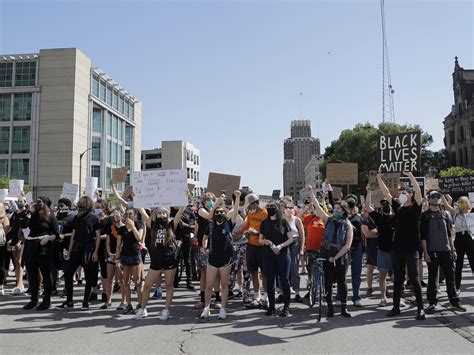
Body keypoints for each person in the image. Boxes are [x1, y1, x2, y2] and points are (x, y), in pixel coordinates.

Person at [377, 171, 425, 320]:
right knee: (397, 278)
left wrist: (410, 176)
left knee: (414, 278)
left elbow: (418, 191)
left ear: (410, 195)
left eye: (405, 192)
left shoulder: (416, 207)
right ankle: (396, 306)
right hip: (397, 248)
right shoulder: (398, 207)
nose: (402, 194)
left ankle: (420, 308)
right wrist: (379, 179)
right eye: (401, 192)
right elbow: (386, 193)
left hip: (411, 248)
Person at [307, 185, 353, 318]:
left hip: (341, 256)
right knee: (327, 281)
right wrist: (311, 192)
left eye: (339, 209)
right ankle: (330, 307)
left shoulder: (347, 224)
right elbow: (319, 208)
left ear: (344, 211)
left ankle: (344, 308)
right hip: (326, 255)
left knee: (341, 281)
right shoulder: (328, 220)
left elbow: (348, 245)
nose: (336, 210)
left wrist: (337, 257)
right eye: (335, 208)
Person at [135, 205, 185, 320]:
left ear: (167, 214)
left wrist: (184, 199)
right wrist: (138, 199)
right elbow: (142, 212)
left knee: (168, 285)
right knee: (147, 285)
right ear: (156, 214)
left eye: (163, 213)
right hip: (156, 260)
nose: (161, 215)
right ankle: (142, 309)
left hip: (169, 259)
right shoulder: (152, 225)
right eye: (159, 213)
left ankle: (166, 310)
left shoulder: (171, 224)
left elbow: (180, 211)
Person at [422, 191, 466, 313]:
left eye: (438, 197)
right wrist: (425, 253)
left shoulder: (446, 214)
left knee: (450, 278)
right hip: (432, 251)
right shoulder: (425, 216)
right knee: (432, 278)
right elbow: (423, 237)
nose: (436, 199)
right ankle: (432, 303)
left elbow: (449, 234)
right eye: (433, 197)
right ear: (429, 199)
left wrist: (453, 250)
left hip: (446, 250)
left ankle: (454, 302)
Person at [200, 190, 240, 319]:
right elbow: (205, 237)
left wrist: (237, 197)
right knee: (209, 285)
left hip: (226, 259)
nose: (219, 213)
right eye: (217, 212)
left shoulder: (229, 224)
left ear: (225, 213)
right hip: (212, 259)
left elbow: (235, 210)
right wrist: (204, 246)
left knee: (224, 285)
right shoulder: (210, 225)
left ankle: (223, 308)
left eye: (221, 212)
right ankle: (206, 308)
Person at [59, 196, 102, 310]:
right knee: (68, 273)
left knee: (88, 276)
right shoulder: (76, 218)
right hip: (77, 249)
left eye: (82, 206)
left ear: (87, 206)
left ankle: (85, 301)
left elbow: (97, 236)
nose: (80, 208)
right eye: (79, 206)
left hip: (89, 249)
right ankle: (69, 301)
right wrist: (69, 250)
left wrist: (96, 252)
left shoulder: (94, 218)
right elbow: (73, 235)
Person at [22, 196, 60, 310]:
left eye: (39, 202)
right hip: (31, 245)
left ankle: (47, 300)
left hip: (43, 246)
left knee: (46, 273)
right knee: (32, 274)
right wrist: (29, 212)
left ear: (45, 204)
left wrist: (48, 238)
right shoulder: (32, 214)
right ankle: (33, 300)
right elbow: (24, 225)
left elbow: (57, 234)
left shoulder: (50, 216)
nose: (37, 203)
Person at [259, 200, 294, 317]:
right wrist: (266, 241)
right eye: (268, 206)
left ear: (278, 208)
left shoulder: (283, 221)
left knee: (284, 280)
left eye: (272, 206)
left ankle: (286, 307)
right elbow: (260, 239)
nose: (270, 208)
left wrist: (281, 246)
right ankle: (272, 307)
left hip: (283, 255)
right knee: (270, 282)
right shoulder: (264, 223)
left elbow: (291, 239)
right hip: (268, 255)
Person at [235, 193, 269, 308]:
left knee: (264, 273)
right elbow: (246, 226)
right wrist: (237, 233)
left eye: (250, 206)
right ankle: (257, 296)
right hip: (251, 246)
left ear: (255, 204)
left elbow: (269, 232)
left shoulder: (265, 214)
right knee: (253, 272)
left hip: (263, 247)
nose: (249, 208)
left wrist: (256, 233)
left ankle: (266, 297)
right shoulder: (250, 213)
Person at [365, 186, 395, 307]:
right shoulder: (380, 218)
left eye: (387, 204)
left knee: (398, 276)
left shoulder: (398, 217)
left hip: (396, 252)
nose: (385, 207)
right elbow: (367, 207)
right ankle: (383, 297)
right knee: (382, 275)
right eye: (383, 205)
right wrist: (369, 192)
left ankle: (397, 297)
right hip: (383, 251)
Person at [442, 195, 474, 294]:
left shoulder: (472, 214)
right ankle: (457, 287)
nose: (460, 203)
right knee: (458, 264)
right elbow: (447, 205)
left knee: (473, 262)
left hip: (469, 238)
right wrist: (443, 193)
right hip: (459, 239)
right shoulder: (456, 213)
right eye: (459, 202)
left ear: (467, 203)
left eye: (462, 202)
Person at [116, 208, 144, 315]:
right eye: (126, 214)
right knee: (125, 282)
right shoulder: (121, 229)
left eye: (130, 214)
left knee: (137, 282)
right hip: (125, 256)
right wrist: (118, 259)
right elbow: (118, 245)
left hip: (135, 256)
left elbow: (139, 238)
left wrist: (132, 227)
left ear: (134, 215)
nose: (128, 216)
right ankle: (129, 305)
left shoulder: (139, 225)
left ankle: (141, 304)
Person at [297, 199, 325, 300]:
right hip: (311, 249)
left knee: (322, 271)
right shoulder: (310, 218)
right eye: (314, 208)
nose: (315, 209)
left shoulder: (325, 219)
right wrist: (307, 208)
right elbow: (297, 217)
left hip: (322, 250)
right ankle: (311, 291)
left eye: (317, 208)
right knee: (311, 272)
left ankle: (323, 291)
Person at [195, 193, 217, 309]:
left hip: (216, 245)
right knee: (204, 273)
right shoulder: (201, 210)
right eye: (207, 200)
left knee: (216, 274)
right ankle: (203, 299)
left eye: (212, 200)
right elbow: (209, 216)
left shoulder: (217, 210)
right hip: (203, 246)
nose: (210, 202)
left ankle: (217, 297)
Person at [283, 200, 305, 302]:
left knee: (294, 268)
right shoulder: (281, 220)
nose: (290, 210)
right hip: (284, 244)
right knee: (283, 269)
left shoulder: (297, 220)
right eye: (288, 207)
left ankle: (297, 292)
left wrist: (301, 249)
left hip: (294, 244)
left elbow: (302, 235)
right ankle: (283, 292)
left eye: (292, 208)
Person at [101, 209, 124, 309]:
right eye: (114, 214)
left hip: (122, 256)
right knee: (110, 278)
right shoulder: (110, 227)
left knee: (122, 279)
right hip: (111, 256)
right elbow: (108, 241)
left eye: (117, 214)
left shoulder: (124, 228)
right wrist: (110, 253)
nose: (116, 216)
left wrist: (118, 255)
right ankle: (108, 300)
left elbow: (124, 243)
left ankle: (124, 301)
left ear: (122, 215)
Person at [344, 195, 364, 307]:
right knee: (342, 274)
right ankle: (340, 296)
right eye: (348, 201)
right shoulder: (342, 216)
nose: (350, 202)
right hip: (344, 249)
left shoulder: (359, 217)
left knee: (356, 273)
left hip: (357, 248)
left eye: (352, 201)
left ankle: (356, 296)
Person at [173, 205, 196, 290]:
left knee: (187, 260)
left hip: (186, 238)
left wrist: (185, 225)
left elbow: (194, 225)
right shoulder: (173, 211)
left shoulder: (189, 212)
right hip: (176, 238)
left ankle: (189, 281)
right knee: (176, 259)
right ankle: (175, 281)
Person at [0, 203, 11, 296]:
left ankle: (1, 285)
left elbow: (6, 231)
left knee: (1, 266)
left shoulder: (4, 218)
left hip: (1, 245)